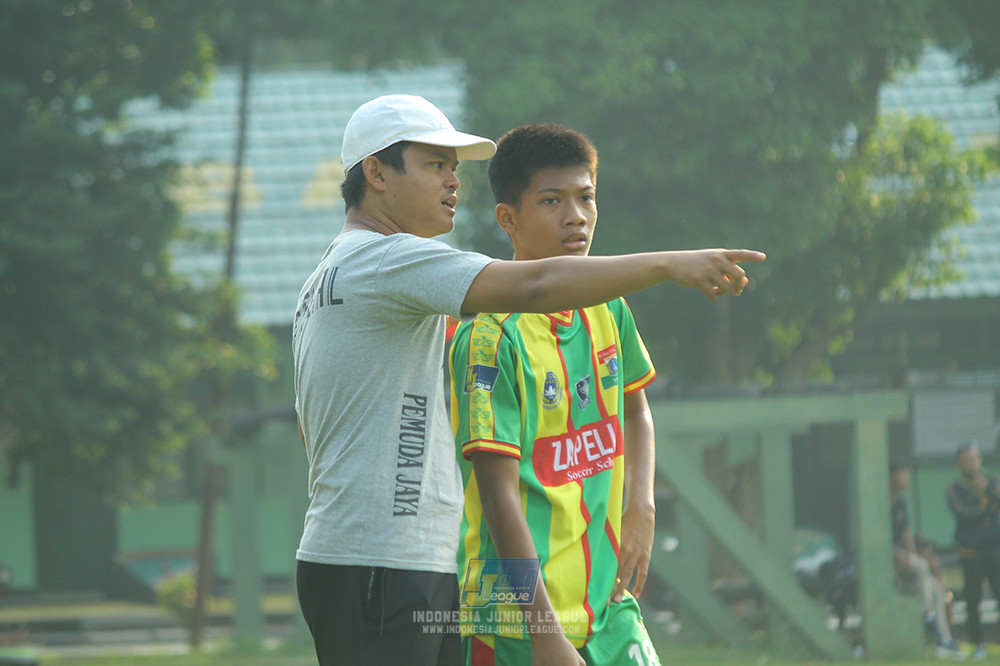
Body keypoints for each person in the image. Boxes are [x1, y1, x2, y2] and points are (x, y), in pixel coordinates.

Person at [292, 95, 765, 666]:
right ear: (376, 172)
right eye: (435, 164)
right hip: (381, 567)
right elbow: (533, 287)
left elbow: (309, 429)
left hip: (383, 560)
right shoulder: (386, 260)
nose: (453, 182)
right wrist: (669, 264)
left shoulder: (329, 277)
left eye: (454, 167)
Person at [450, 124, 663, 665]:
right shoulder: (488, 337)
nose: (577, 216)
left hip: (607, 603)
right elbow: (498, 496)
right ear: (509, 219)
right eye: (552, 201)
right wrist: (545, 632)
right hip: (517, 623)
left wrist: (641, 503)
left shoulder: (607, 304)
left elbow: (636, 411)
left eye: (586, 197)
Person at [890, 462, 964, 659]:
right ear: (891, 476)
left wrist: (912, 553)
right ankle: (928, 614)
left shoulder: (900, 503)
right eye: (903, 474)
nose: (906, 478)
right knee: (922, 566)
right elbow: (876, 540)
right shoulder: (881, 502)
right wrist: (899, 554)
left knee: (936, 588)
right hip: (889, 560)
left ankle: (944, 640)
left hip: (906, 559)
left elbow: (906, 533)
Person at [947, 443, 1000, 661]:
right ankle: (978, 643)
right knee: (973, 598)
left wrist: (990, 491)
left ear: (980, 460)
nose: (970, 463)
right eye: (965, 460)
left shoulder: (992, 483)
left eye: (974, 459)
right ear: (959, 463)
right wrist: (989, 508)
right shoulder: (956, 487)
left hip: (995, 548)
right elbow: (963, 513)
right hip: (971, 551)